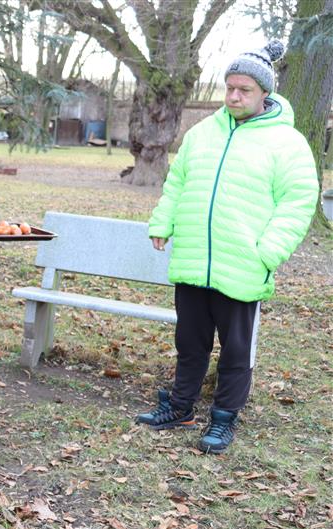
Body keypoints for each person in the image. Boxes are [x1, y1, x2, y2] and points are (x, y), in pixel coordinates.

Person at [136, 39, 318, 454]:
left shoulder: (286, 144)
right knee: (189, 342)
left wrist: (268, 251)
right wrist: (163, 221)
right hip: (193, 260)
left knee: (236, 351)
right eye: (230, 87)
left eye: (245, 90)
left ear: (264, 94)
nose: (234, 96)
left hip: (243, 265)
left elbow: (298, 201)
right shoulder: (201, 134)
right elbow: (177, 182)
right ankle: (180, 407)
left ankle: (223, 420)